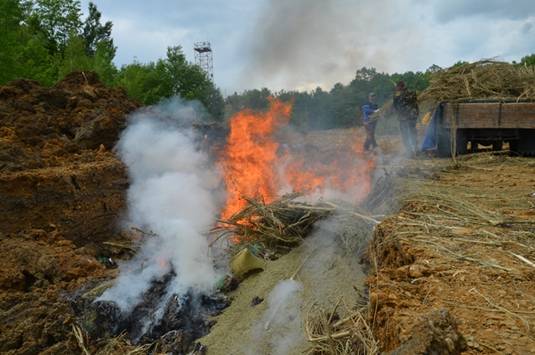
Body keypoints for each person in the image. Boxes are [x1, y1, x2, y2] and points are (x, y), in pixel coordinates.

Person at [393, 81, 419, 155]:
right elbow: (415, 102)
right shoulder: (412, 92)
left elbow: (396, 106)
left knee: (405, 135)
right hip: (412, 117)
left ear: (400, 87)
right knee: (413, 133)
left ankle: (409, 151)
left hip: (404, 118)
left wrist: (395, 94)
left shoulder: (398, 96)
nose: (396, 88)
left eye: (397, 87)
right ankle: (416, 149)